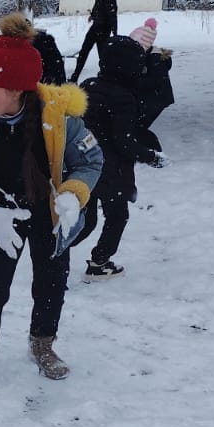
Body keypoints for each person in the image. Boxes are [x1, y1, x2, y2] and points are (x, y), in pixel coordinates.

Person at [0, 13, 103, 390]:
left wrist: (72, 194)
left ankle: (42, 345)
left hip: (50, 217)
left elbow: (91, 161)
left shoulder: (61, 119)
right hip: (4, 219)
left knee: (51, 284)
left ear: (17, 89)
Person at [77, 22, 166, 279]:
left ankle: (54, 253)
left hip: (83, 165)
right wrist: (151, 157)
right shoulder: (124, 97)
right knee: (117, 216)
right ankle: (99, 262)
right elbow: (123, 141)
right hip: (111, 170)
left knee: (85, 218)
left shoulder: (88, 86)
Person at [69, 0, 117, 83]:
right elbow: (97, 6)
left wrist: (114, 32)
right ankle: (75, 77)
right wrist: (93, 15)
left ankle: (107, 79)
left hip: (103, 29)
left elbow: (112, 13)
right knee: (84, 51)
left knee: (103, 56)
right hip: (96, 27)